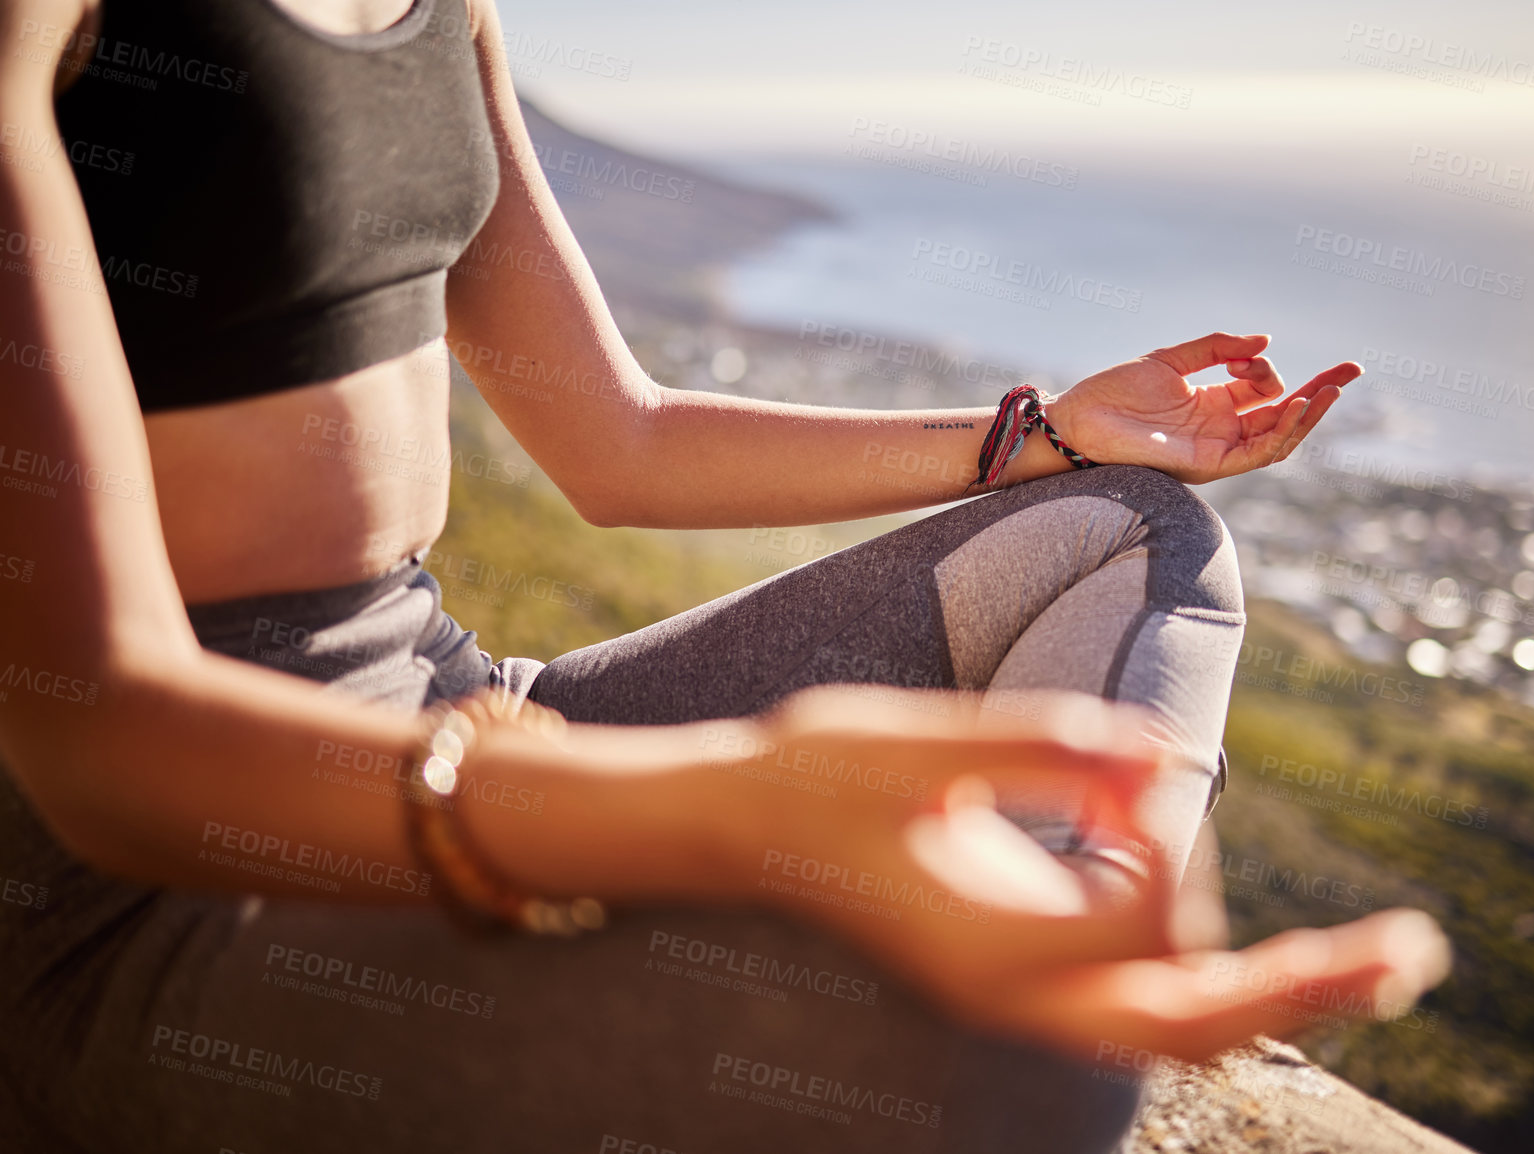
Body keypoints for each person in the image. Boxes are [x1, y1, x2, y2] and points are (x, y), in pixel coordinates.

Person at [0, 0, 1451, 1150]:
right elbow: (94, 741)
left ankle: (1064, 931)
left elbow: (619, 445)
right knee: (1017, 1078)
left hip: (472, 707)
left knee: (1130, 525)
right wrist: (721, 809)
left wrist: (1046, 436)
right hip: (149, 890)